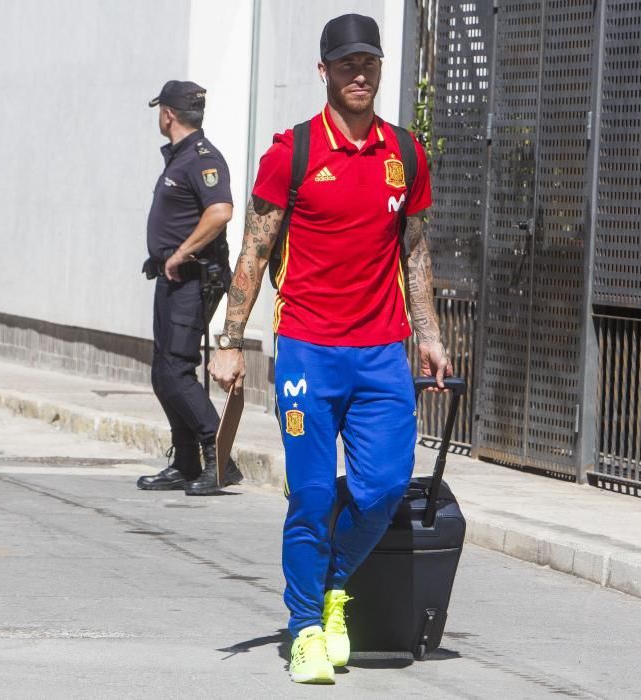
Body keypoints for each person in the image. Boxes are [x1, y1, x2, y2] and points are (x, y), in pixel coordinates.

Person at [209, 14, 452, 684]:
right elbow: (253, 252)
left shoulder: (404, 151)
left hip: (381, 354)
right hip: (307, 354)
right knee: (313, 495)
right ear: (324, 71)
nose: (359, 74)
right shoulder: (290, 153)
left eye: (368, 63)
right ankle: (306, 628)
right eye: (346, 64)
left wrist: (428, 335)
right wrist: (228, 342)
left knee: (379, 491)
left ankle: (332, 587)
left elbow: (415, 250)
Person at [137, 80, 243, 497]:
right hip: (172, 276)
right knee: (163, 371)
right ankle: (184, 462)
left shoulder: (202, 158)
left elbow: (221, 211)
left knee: (177, 369)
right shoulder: (181, 157)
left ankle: (220, 460)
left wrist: (181, 253)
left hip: (194, 277)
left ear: (168, 114)